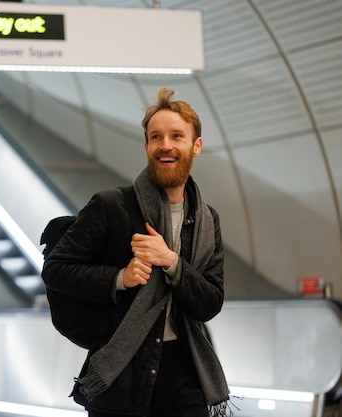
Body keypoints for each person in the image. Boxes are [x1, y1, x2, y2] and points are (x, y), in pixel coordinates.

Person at [42, 87, 230, 417]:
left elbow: (210, 302)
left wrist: (172, 262)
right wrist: (120, 278)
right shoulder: (112, 206)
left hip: (187, 370)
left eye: (176, 136)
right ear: (147, 146)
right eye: (156, 137)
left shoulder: (206, 219)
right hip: (121, 376)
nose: (166, 145)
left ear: (195, 146)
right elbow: (56, 269)